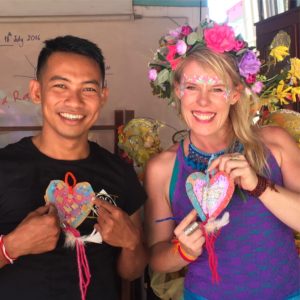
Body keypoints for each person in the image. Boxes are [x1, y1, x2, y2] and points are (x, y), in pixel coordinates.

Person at [145, 21, 300, 299]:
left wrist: (258, 185)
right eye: (192, 87)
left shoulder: (275, 143)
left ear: (235, 94)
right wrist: (183, 251)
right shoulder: (163, 169)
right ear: (177, 91)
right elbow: (156, 257)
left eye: (217, 89)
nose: (203, 102)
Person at [0, 35, 147, 300]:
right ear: (36, 91)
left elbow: (132, 272)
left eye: (88, 89)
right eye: (60, 86)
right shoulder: (4, 167)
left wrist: (132, 242)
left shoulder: (120, 174)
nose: (75, 102)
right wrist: (11, 246)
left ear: (103, 96)